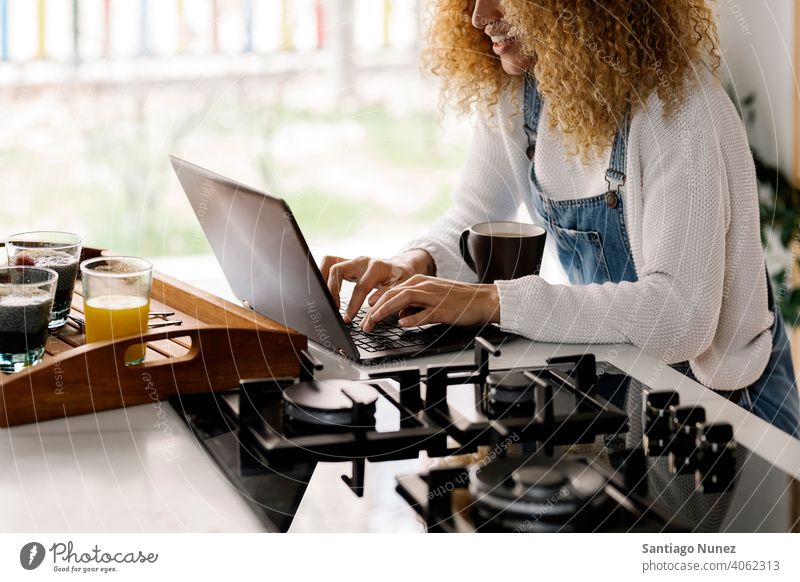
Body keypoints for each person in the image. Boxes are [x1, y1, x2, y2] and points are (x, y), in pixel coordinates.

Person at [320, 0, 800, 438]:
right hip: (625, 387)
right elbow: (476, 215)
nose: (478, 15)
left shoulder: (678, 105)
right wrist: (415, 264)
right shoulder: (521, 88)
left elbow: (680, 318)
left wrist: (493, 301)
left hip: (730, 407)